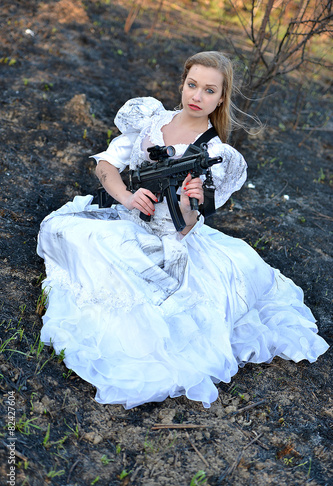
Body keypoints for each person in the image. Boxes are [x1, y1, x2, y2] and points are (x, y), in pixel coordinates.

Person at [37, 51, 329, 410]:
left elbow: (186, 225)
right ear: (182, 83)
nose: (197, 96)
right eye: (192, 85)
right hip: (129, 218)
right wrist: (128, 197)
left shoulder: (215, 152)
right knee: (62, 229)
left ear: (221, 98)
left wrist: (192, 201)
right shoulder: (151, 118)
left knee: (131, 271)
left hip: (169, 238)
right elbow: (106, 166)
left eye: (209, 91)